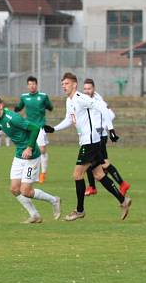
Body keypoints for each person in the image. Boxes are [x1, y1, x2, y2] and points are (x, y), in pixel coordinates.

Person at [44, 72, 131, 221]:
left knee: (77, 175)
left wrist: (111, 130)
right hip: (90, 141)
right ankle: (123, 201)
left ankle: (79, 210)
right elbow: (69, 119)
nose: (63, 86)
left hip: (90, 142)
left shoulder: (81, 98)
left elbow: (103, 109)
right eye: (62, 84)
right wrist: (54, 129)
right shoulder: (69, 101)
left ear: (74, 84)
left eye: (66, 84)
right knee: (99, 175)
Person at [0, 94, 61, 223]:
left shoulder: (13, 118)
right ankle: (35, 215)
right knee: (14, 189)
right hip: (19, 155)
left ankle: (54, 200)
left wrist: (29, 148)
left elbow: (35, 129)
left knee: (26, 191)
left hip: (31, 156)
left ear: (0, 106)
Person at [82, 79, 130, 197]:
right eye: (85, 89)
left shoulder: (98, 100)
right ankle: (122, 184)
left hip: (99, 136)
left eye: (89, 88)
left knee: (90, 161)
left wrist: (102, 127)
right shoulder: (86, 99)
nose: (87, 91)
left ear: (94, 89)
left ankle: (92, 187)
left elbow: (111, 115)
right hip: (94, 136)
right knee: (103, 163)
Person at [14, 76, 54, 182]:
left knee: (42, 150)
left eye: (33, 84)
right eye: (30, 84)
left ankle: (43, 173)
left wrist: (47, 106)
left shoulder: (43, 96)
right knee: (28, 149)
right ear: (27, 86)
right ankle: (28, 173)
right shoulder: (24, 97)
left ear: (37, 85)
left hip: (40, 127)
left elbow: (50, 107)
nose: (32, 86)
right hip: (28, 128)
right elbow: (19, 107)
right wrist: (16, 108)